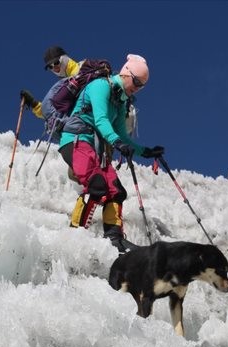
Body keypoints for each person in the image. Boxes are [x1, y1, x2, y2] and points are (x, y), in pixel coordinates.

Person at [58, 54, 163, 253]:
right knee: (96, 185)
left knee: (116, 191)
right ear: (126, 74)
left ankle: (114, 239)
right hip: (76, 140)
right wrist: (116, 142)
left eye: (142, 85)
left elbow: (123, 135)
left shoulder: (120, 101)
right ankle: (74, 235)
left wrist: (146, 152)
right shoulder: (100, 86)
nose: (138, 87)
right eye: (136, 81)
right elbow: (101, 120)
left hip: (93, 148)